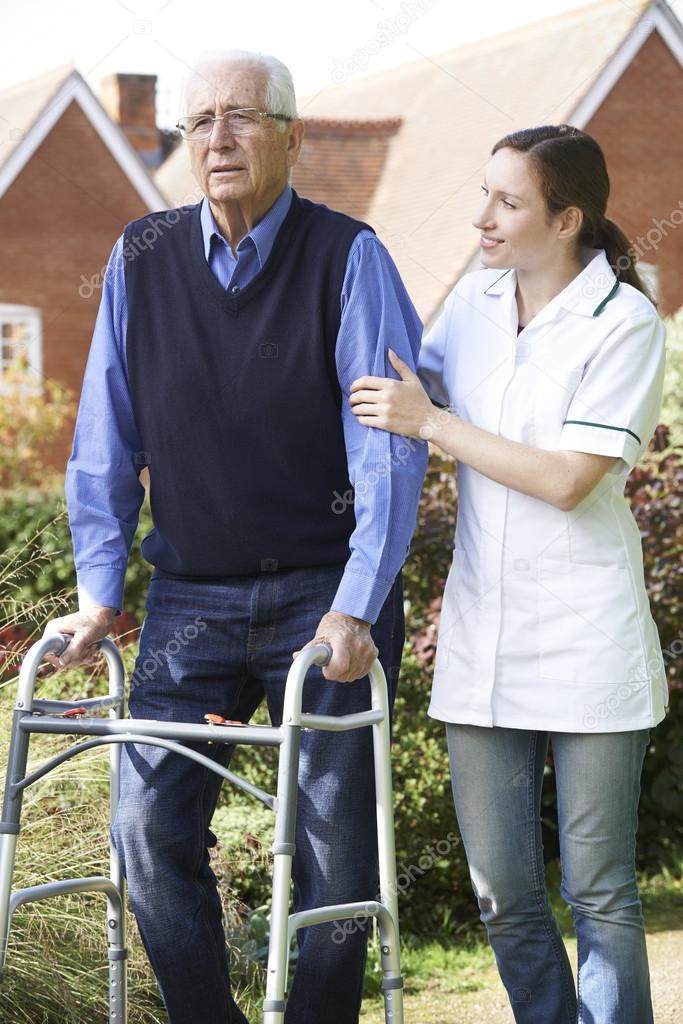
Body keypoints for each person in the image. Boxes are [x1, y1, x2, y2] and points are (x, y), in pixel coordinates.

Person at [47, 50, 427, 1024]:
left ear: (293, 138)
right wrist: (100, 590)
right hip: (189, 596)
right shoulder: (140, 256)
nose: (216, 139)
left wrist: (356, 603)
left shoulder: (351, 258)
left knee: (337, 851)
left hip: (322, 590)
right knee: (144, 827)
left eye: (242, 118)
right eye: (198, 121)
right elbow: (104, 440)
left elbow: (383, 449)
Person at [348, 124, 667, 1024]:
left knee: (600, 891)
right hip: (481, 634)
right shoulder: (476, 304)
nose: (481, 217)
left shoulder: (625, 323)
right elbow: (399, 387)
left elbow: (567, 479)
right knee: (501, 895)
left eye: (507, 202)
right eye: (482, 193)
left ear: (567, 219)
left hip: (586, 638)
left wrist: (431, 425)